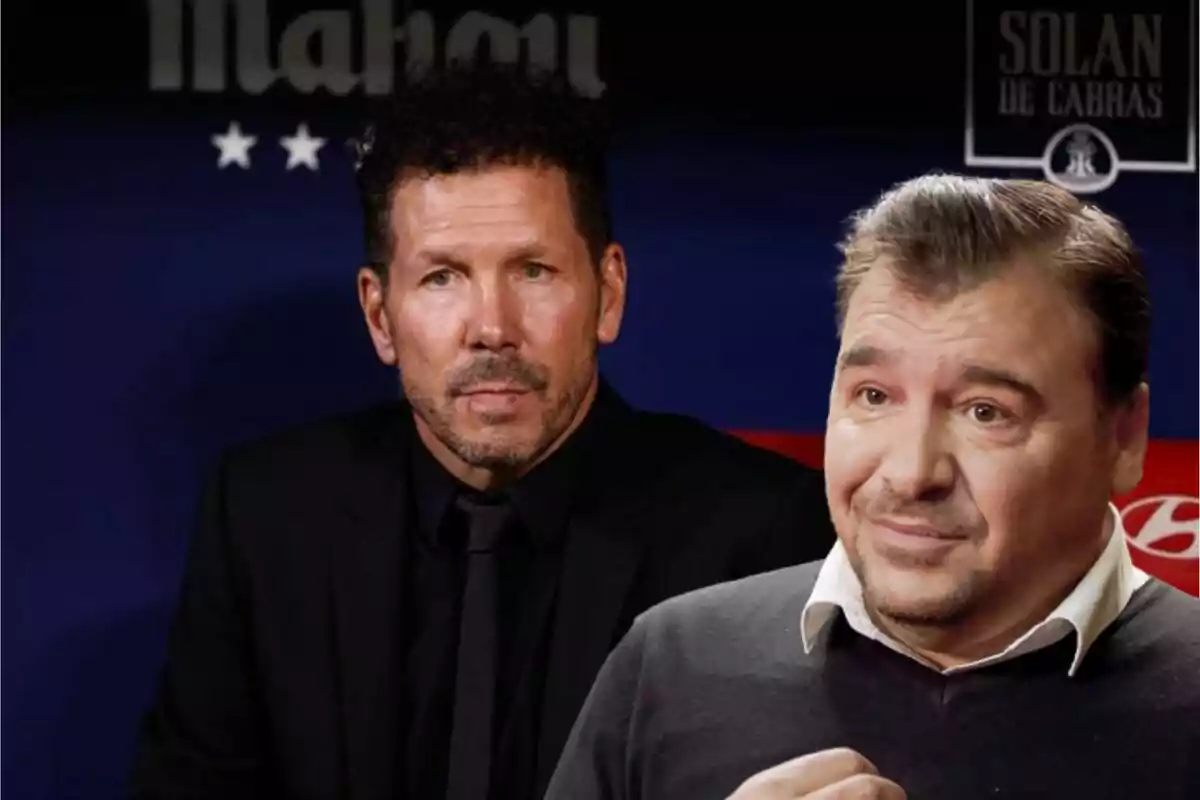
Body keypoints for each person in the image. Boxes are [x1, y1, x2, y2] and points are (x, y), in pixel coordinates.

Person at [128, 60, 836, 800]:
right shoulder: (265, 520)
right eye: (442, 277)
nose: (492, 329)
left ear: (609, 294)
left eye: (533, 270)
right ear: (380, 317)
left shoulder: (758, 537)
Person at [546, 174, 1200, 800]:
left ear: (1122, 438)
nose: (912, 473)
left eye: (985, 411)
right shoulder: (669, 666)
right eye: (875, 396)